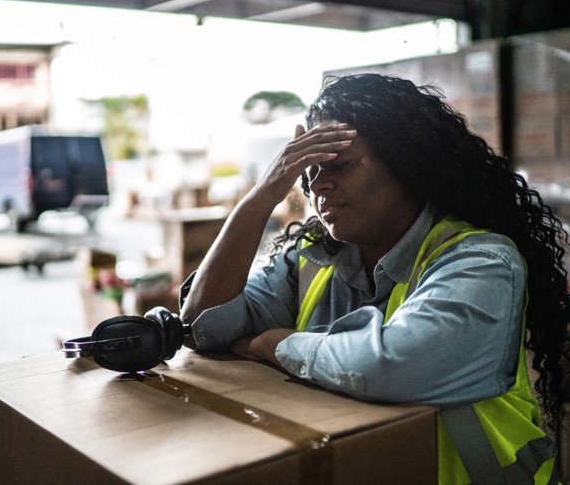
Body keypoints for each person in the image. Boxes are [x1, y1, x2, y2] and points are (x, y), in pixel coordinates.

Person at [179, 73, 569, 484]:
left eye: (339, 165)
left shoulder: (481, 260)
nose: (318, 186)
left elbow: (391, 366)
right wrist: (260, 197)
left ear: (406, 161)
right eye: (307, 175)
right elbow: (204, 326)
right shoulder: (312, 259)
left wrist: (271, 343)